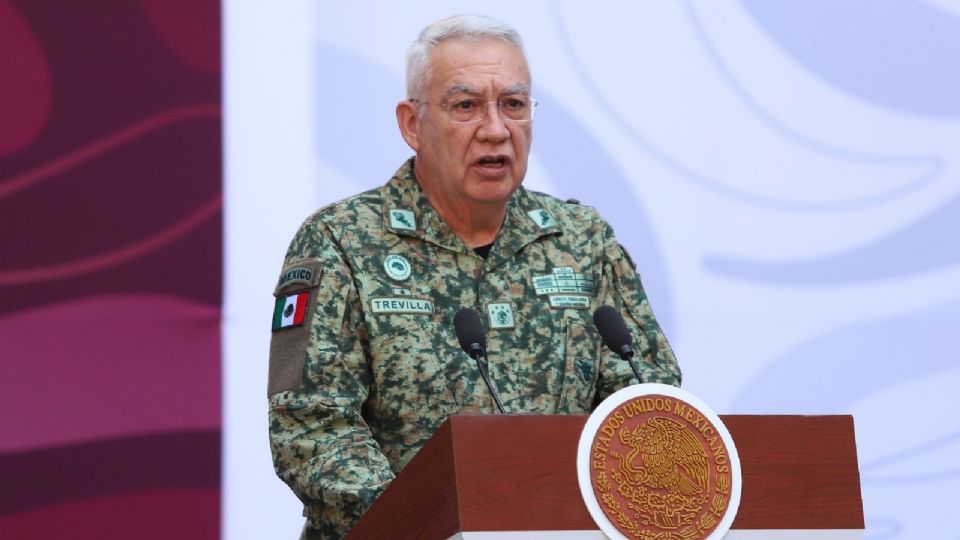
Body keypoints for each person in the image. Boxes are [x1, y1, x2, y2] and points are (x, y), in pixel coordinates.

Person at [268, 14, 682, 539]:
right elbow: (310, 428)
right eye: (465, 105)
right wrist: (432, 526)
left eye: (513, 104)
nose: (495, 129)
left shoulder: (582, 240)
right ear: (412, 124)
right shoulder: (340, 240)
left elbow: (645, 404)